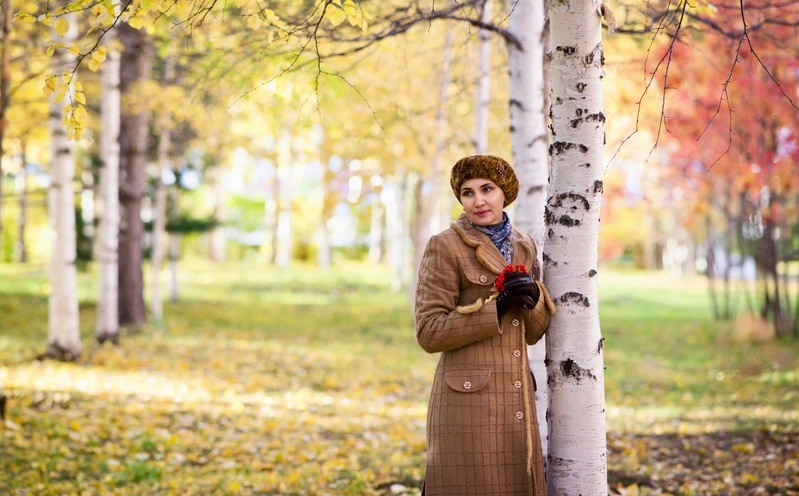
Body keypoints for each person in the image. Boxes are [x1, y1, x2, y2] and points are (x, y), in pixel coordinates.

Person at [414, 155, 556, 495]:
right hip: (467, 399)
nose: (478, 201)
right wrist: (496, 308)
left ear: (504, 193)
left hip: (516, 396)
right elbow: (429, 331)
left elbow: (534, 333)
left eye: (487, 189)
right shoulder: (445, 245)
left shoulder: (525, 245)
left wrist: (534, 299)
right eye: (467, 192)